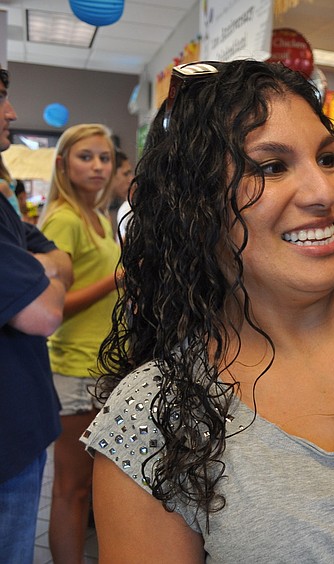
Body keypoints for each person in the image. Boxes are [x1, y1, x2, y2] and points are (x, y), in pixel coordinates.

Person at [82, 59, 334, 562]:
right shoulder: (154, 417)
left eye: (328, 158)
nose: (325, 193)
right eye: (271, 167)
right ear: (195, 205)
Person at [38, 123, 121, 564]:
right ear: (64, 164)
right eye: (85, 156)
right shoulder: (64, 218)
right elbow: (56, 304)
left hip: (104, 364)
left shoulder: (98, 217)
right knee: (71, 489)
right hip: (76, 367)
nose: (97, 166)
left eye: (104, 158)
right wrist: (118, 278)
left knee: (92, 487)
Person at [0, 65, 73, 564]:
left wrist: (38, 264)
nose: (11, 112)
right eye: (0, 98)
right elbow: (44, 312)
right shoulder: (67, 215)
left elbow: (56, 258)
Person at [105, 148, 132, 239]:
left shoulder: (105, 213)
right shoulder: (94, 213)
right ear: (110, 174)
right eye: (125, 174)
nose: (131, 180)